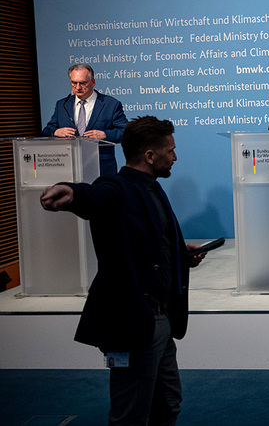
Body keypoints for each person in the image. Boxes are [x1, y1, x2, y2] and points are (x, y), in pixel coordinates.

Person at [40, 116, 207, 425]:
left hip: (161, 321)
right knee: (130, 415)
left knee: (168, 405)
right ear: (150, 156)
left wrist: (180, 255)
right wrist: (71, 192)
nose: (175, 156)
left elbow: (148, 237)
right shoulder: (116, 186)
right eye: (170, 150)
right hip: (135, 322)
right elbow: (94, 197)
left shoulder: (153, 189)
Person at [42, 63, 128, 176]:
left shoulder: (110, 104)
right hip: (68, 168)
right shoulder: (62, 105)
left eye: (82, 83)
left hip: (101, 169)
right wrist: (56, 132)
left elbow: (126, 132)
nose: (78, 87)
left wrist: (105, 135)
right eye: (74, 83)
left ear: (93, 82)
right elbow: (46, 131)